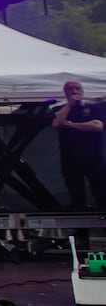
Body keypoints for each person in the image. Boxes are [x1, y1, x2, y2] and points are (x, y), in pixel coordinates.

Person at [53, 80, 106, 209]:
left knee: (100, 190)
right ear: (65, 92)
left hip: (91, 155)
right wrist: (69, 106)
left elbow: (97, 126)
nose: (74, 91)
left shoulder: (93, 106)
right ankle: (80, 226)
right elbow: (56, 123)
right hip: (70, 156)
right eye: (70, 89)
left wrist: (69, 124)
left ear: (82, 91)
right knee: (76, 192)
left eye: (77, 88)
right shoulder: (60, 109)